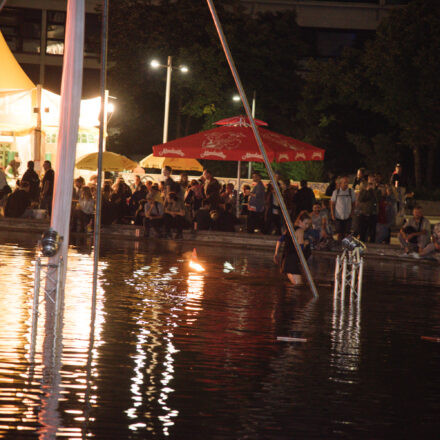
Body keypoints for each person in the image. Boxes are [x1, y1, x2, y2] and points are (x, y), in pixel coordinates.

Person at [273, 211, 312, 286]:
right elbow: (300, 247)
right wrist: (306, 243)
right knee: (298, 285)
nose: (307, 226)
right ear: (300, 221)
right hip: (292, 262)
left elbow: (280, 240)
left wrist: (276, 253)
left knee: (294, 285)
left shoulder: (290, 229)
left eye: (308, 224)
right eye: (306, 223)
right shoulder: (300, 231)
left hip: (285, 261)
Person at [330, 176, 356, 241]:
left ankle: (346, 247)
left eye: (347, 182)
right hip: (338, 217)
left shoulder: (351, 192)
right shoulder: (336, 192)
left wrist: (352, 212)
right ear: (340, 183)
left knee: (347, 234)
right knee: (339, 233)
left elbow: (353, 203)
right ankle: (339, 247)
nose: (346, 184)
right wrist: (332, 214)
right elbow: (332, 204)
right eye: (344, 182)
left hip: (348, 216)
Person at [356, 174, 380, 243]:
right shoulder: (363, 190)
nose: (371, 183)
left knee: (372, 234)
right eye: (370, 181)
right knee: (362, 234)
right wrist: (367, 190)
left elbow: (377, 199)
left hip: (373, 214)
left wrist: (373, 190)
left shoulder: (378, 191)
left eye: (373, 181)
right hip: (364, 213)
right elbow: (361, 199)